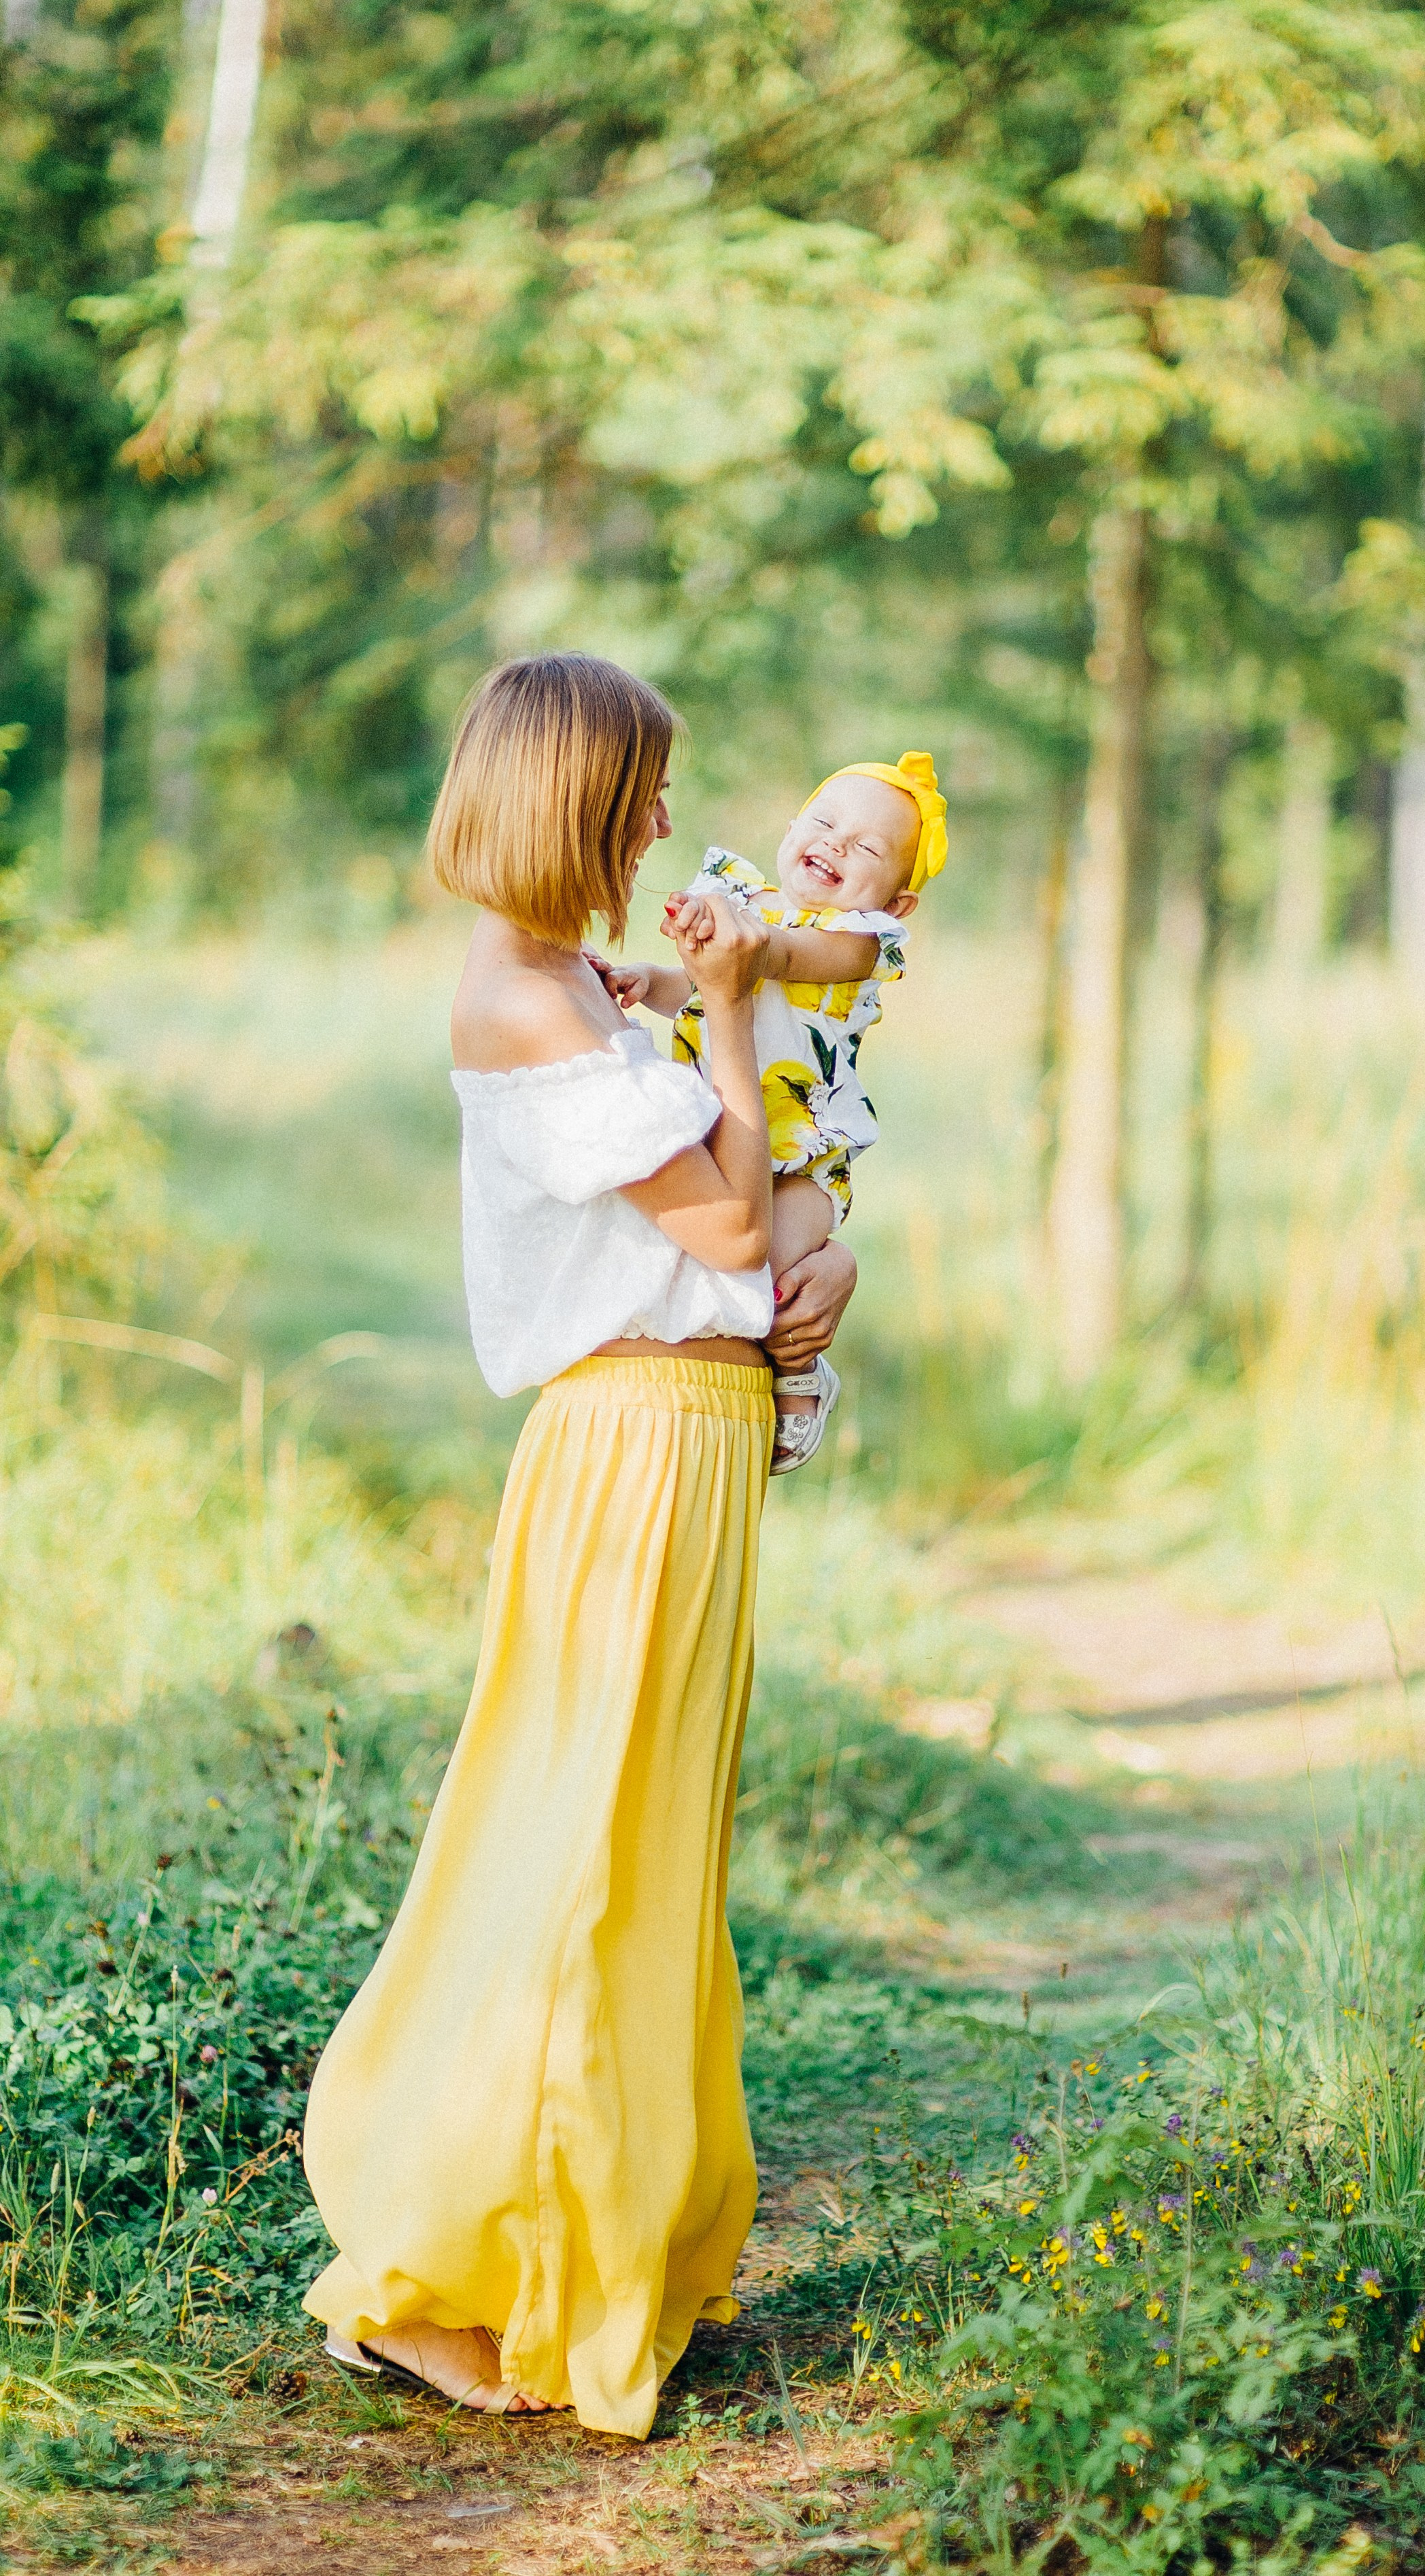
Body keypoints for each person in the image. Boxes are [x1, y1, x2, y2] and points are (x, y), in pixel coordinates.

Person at [302, 652, 857, 2427]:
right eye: (641, 792)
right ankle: (450, 2245)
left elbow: (774, 1222)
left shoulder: (571, 987)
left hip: (691, 1436)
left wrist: (813, 1248)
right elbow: (715, 1219)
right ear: (574, 797)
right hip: (627, 1444)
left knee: (644, 1852)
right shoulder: (528, 1005)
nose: (662, 822)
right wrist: (732, 1001)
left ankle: (593, 2231)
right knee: (572, 1849)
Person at [591, 752, 946, 1472]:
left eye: (868, 848)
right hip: (722, 1134)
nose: (836, 844)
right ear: (791, 828)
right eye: (823, 822)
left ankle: (800, 1373)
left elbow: (783, 957)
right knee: (712, 1260)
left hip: (804, 1161)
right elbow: (694, 989)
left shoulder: (859, 941)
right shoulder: (743, 901)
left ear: (897, 900)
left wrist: (736, 946)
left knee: (767, 1278)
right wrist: (647, 977)